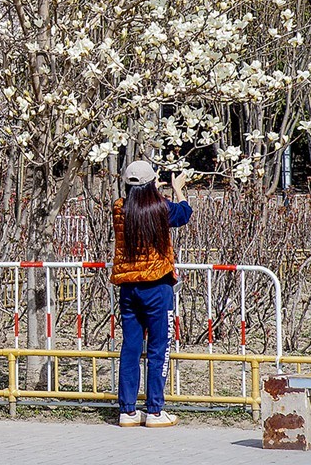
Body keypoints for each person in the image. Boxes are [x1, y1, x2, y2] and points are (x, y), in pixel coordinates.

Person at [112, 161, 192, 428]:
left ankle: (127, 411)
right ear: (151, 184)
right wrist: (177, 188)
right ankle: (155, 411)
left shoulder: (119, 208)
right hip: (157, 287)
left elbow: (138, 202)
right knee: (159, 348)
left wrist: (150, 188)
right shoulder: (160, 209)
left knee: (131, 348)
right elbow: (183, 214)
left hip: (128, 289)